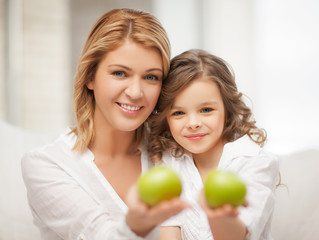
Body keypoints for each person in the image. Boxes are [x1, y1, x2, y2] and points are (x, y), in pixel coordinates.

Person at [21, 8, 189, 240]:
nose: (136, 92)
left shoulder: (174, 151)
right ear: (90, 76)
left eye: (151, 77)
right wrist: (137, 225)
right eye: (120, 73)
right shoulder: (46, 166)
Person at [148, 49, 280, 240]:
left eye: (206, 109)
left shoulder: (255, 162)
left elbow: (237, 236)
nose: (193, 123)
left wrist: (215, 212)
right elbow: (170, 230)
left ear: (227, 110)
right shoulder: (170, 161)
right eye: (178, 113)